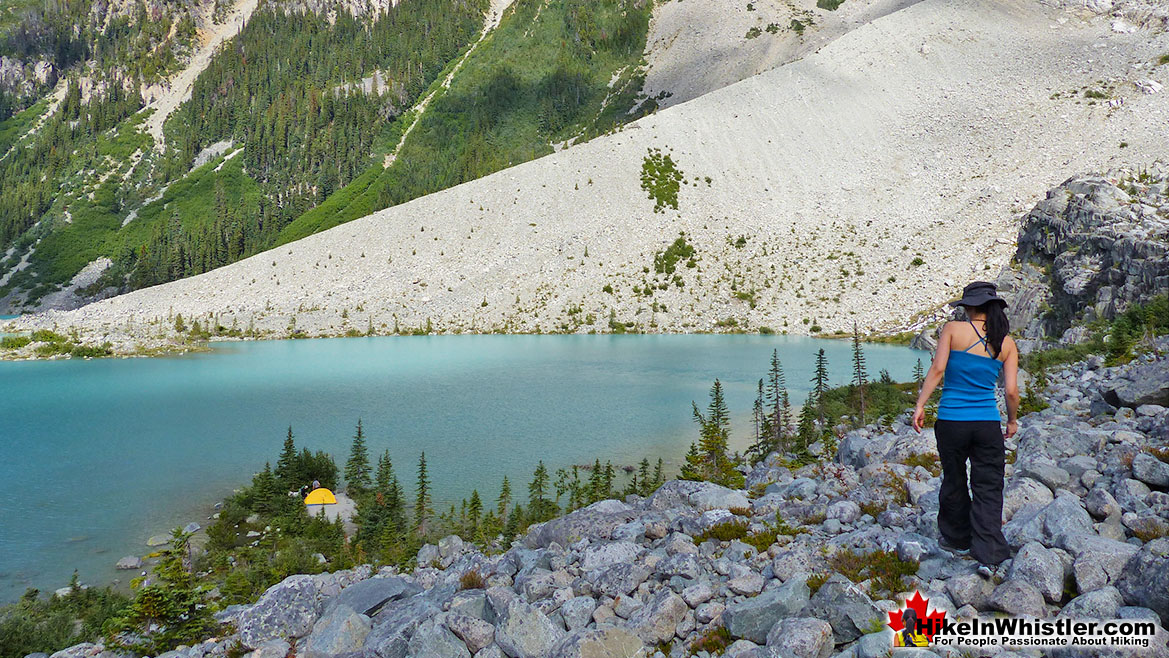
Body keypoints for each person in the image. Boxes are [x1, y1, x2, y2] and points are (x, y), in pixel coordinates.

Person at [912, 281, 1019, 577]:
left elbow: (937, 370)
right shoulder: (1007, 343)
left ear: (970, 307)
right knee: (988, 484)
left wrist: (920, 405)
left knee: (954, 479)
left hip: (951, 420)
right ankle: (989, 551)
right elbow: (1010, 391)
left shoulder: (952, 330)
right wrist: (1011, 421)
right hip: (986, 423)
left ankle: (958, 540)